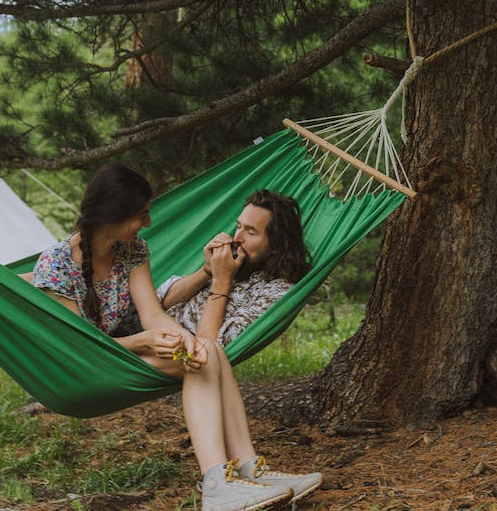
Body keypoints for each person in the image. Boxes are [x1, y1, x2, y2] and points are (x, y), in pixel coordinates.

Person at [31, 164, 320, 511]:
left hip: (125, 352)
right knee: (206, 350)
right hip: (81, 367)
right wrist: (147, 340)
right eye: (141, 215)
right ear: (115, 215)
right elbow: (79, 346)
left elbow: (152, 313)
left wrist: (186, 340)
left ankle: (235, 477)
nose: (148, 223)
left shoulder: (132, 249)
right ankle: (222, 485)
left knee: (207, 350)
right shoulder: (56, 264)